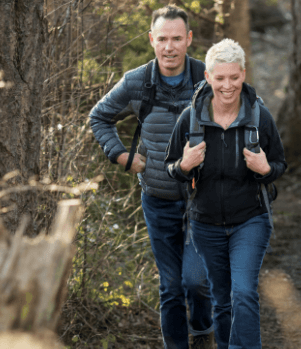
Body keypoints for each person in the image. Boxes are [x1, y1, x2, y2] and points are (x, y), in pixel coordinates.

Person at [88, 5, 214, 349]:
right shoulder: (137, 81)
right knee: (171, 287)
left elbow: (241, 118)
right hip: (157, 201)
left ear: (189, 39)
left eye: (176, 38)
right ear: (151, 40)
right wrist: (122, 157)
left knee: (197, 282)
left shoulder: (208, 78)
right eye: (162, 39)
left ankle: (203, 331)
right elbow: (99, 117)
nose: (169, 47)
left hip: (203, 201)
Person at [165, 39, 287, 349]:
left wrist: (264, 169)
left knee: (243, 292)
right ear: (207, 77)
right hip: (205, 223)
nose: (228, 85)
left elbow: (279, 165)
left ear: (243, 74)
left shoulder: (259, 117)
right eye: (220, 78)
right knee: (221, 300)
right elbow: (171, 168)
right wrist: (184, 164)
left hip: (250, 220)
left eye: (234, 77)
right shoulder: (190, 119)